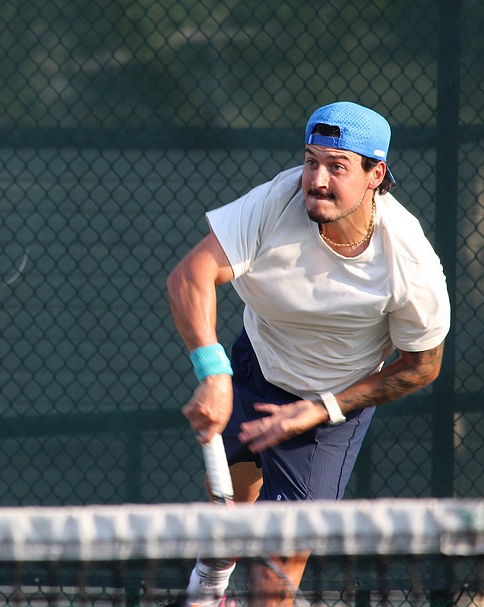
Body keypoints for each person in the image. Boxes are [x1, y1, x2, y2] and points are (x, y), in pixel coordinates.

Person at [166, 101, 451, 606]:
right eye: (311, 161)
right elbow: (192, 275)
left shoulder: (408, 262)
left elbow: (422, 366)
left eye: (336, 167)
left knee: (274, 582)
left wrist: (322, 409)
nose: (316, 179)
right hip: (255, 367)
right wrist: (214, 373)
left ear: (374, 175)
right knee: (224, 521)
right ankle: (208, 587)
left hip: (333, 409)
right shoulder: (276, 201)